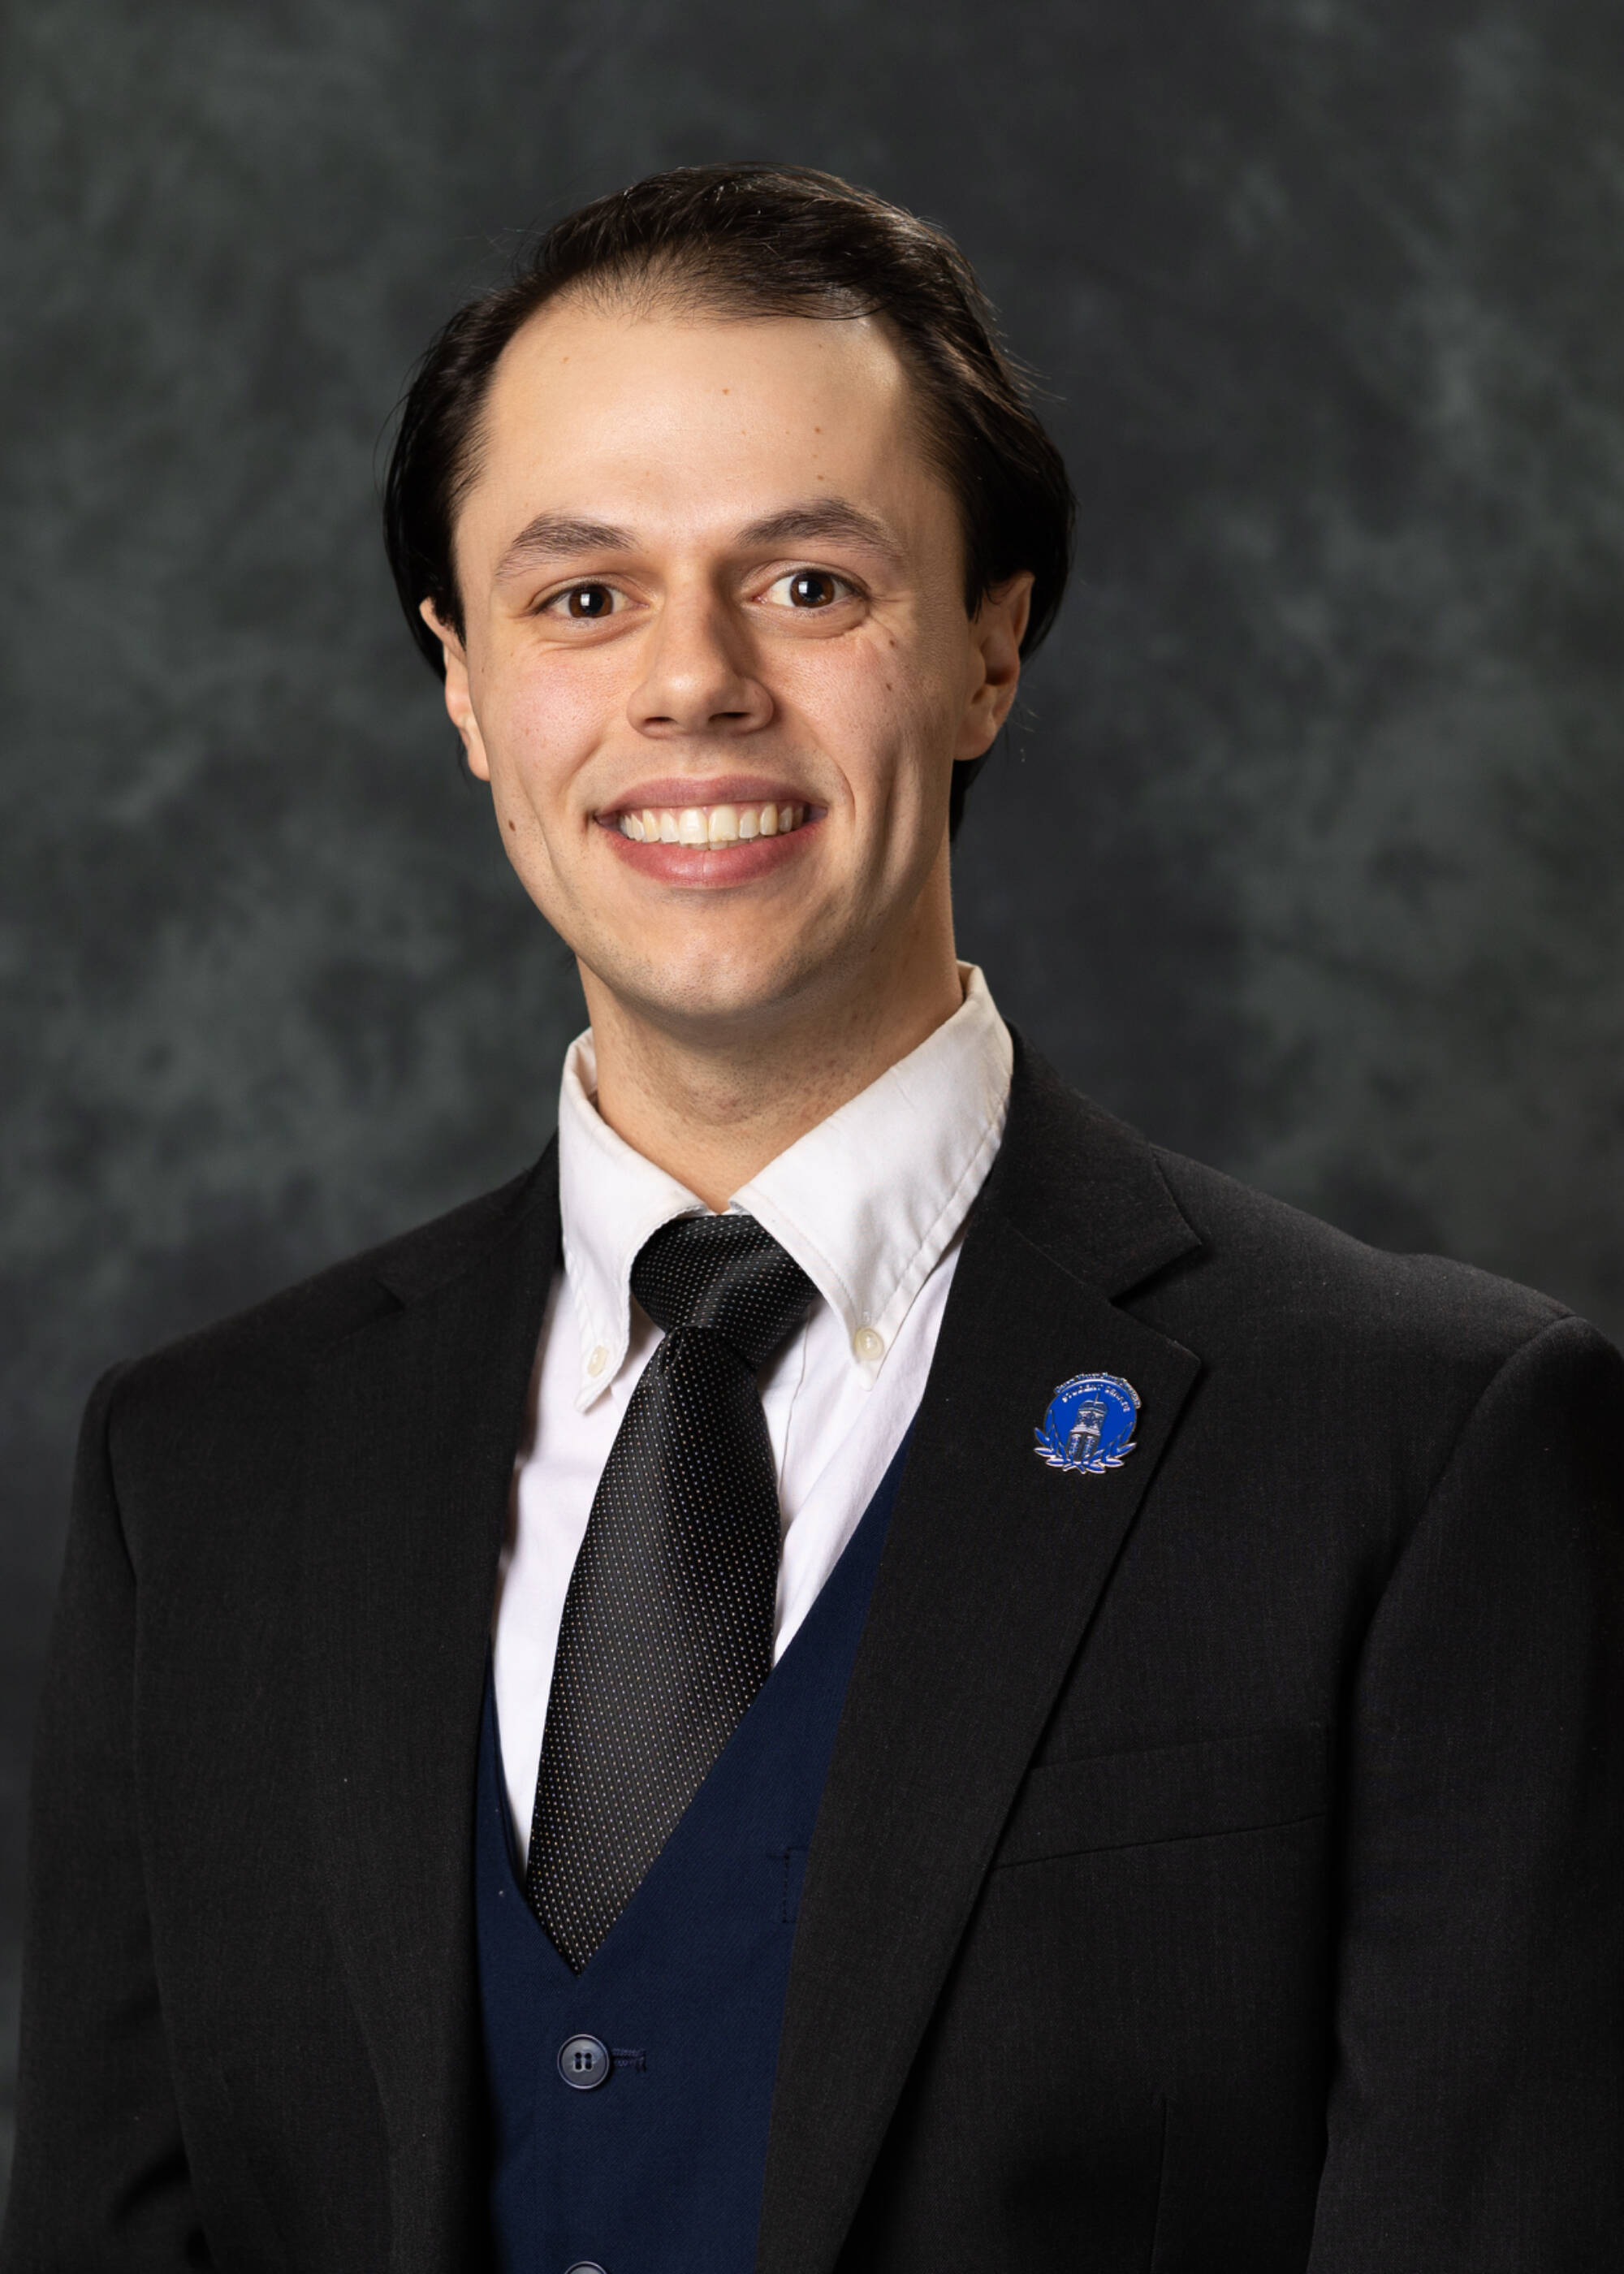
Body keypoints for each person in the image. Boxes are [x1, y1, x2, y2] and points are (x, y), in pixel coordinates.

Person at [4, 163, 1621, 2274]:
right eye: (582, 597)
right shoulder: (204, 1473)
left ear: (989, 650)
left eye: (809, 586)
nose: (692, 685)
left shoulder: (1429, 1452)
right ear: (463, 681)